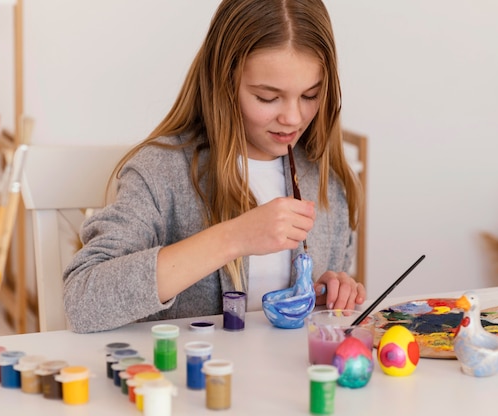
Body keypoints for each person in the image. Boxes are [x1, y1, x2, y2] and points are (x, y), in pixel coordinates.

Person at [63, 0, 366, 333]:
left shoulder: (328, 180)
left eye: (310, 94)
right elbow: (82, 302)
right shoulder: (162, 172)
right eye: (267, 97)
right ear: (223, 82)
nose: (293, 117)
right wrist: (232, 238)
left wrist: (330, 291)